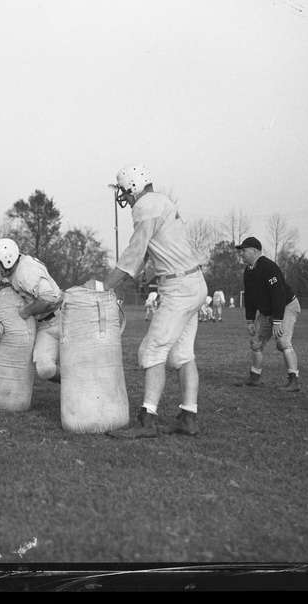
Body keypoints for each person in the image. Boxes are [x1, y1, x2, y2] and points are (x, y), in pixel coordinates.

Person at [101, 164, 207, 438]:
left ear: (133, 186)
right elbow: (150, 251)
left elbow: (135, 254)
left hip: (179, 287)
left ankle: (147, 420)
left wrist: (104, 286)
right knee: (182, 354)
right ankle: (188, 416)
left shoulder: (145, 206)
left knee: (151, 351)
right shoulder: (163, 201)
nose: (123, 196)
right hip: (194, 282)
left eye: (124, 190)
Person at [0, 238, 63, 383]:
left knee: (78, 362)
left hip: (62, 319)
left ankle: (80, 383)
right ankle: (70, 383)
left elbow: (48, 299)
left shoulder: (26, 271)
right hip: (44, 325)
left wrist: (26, 311)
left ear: (7, 259)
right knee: (44, 369)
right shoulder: (13, 268)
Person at [235, 237, 302, 392]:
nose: (241, 254)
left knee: (283, 341)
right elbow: (250, 297)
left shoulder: (269, 267)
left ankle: (294, 381)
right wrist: (250, 320)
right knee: (256, 343)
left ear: (254, 251)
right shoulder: (248, 271)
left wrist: (278, 320)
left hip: (286, 306)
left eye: (244, 250)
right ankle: (255, 377)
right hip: (268, 311)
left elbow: (278, 294)